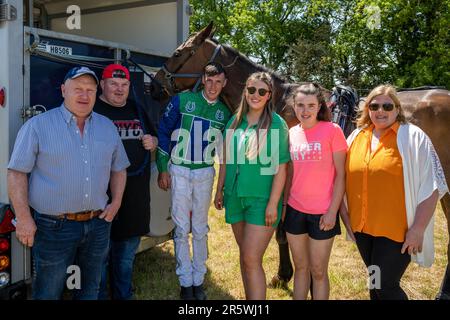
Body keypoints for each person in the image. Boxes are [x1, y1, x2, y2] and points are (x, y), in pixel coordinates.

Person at [7, 66, 130, 300]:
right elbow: (16, 173)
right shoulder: (37, 126)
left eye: (90, 90)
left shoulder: (107, 126)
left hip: (98, 225)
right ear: (64, 90)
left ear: (97, 93)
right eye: (78, 89)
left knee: (90, 289)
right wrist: (23, 218)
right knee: (48, 292)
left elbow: (119, 168)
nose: (84, 96)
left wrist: (115, 204)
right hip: (53, 228)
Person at [340, 84, 448, 300]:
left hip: (396, 230)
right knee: (374, 284)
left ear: (397, 110)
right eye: (375, 105)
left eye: (387, 106)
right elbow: (341, 181)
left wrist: (417, 229)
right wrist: (346, 218)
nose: (380, 111)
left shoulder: (414, 138)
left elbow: (432, 186)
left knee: (386, 286)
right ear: (367, 109)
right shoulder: (356, 137)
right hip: (363, 228)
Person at [156, 62, 231, 300]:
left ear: (224, 84)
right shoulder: (182, 100)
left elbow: (226, 152)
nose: (213, 86)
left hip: (204, 172)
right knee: (181, 228)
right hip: (178, 169)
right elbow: (164, 131)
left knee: (199, 228)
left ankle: (198, 279)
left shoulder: (225, 113)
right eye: (209, 81)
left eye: (218, 81)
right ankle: (185, 281)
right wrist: (162, 168)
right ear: (202, 79)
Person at [214, 72, 290, 300]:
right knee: (245, 257)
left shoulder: (277, 124)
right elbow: (226, 160)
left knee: (251, 258)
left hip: (261, 200)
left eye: (261, 91)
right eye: (251, 90)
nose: (255, 95)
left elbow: (281, 169)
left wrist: (273, 204)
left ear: (269, 96)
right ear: (245, 91)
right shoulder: (234, 121)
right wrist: (219, 190)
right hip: (235, 197)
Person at [94, 64, 158, 300]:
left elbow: (155, 137)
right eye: (113, 83)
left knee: (125, 258)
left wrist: (153, 141)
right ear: (102, 84)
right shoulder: (91, 110)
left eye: (124, 85)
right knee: (98, 258)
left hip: (135, 198)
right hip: (100, 199)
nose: (119, 90)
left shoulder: (137, 109)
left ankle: (123, 296)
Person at [281, 83, 347, 300]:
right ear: (294, 106)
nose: (305, 110)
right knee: (301, 268)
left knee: (318, 271)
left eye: (310, 105)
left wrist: (332, 212)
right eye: (300, 105)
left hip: (323, 213)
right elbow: (289, 174)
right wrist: (283, 206)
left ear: (320, 106)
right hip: (295, 210)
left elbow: (341, 176)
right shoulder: (291, 133)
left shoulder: (332, 131)